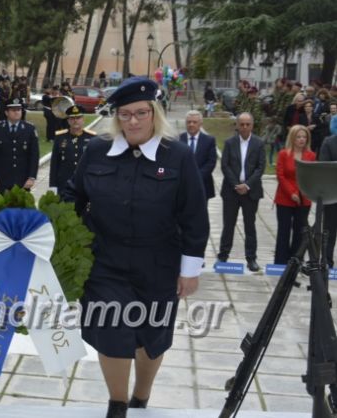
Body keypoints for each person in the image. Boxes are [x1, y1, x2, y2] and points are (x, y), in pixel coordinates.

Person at [63, 76, 209, 418]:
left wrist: (190, 271)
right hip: (104, 263)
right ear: (116, 117)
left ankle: (141, 396)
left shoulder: (178, 157)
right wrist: (59, 233)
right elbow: (73, 194)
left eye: (141, 113)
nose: (133, 121)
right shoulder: (97, 150)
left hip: (158, 265)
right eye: (125, 114)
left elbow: (194, 216)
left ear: (154, 112)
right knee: (111, 329)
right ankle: (117, 402)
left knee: (151, 338)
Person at [218, 113, 266, 272]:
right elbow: (225, 165)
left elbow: (261, 167)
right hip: (231, 191)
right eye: (242, 124)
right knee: (228, 225)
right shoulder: (230, 143)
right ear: (237, 125)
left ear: (252, 125)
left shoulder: (259, 143)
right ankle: (223, 256)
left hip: (251, 192)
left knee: (250, 226)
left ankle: (251, 258)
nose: (244, 127)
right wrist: (236, 184)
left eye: (248, 124)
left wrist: (247, 185)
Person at [273, 125, 316, 265]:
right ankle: (280, 262)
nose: (302, 139)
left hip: (304, 199)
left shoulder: (311, 155)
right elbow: (280, 175)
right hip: (285, 198)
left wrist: (303, 192)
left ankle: (295, 261)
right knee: (283, 231)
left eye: (304, 137)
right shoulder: (283, 154)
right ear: (292, 138)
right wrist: (291, 193)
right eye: (298, 137)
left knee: (300, 231)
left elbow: (311, 176)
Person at [0, 100, 39, 193]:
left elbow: (34, 155)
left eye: (19, 110)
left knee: (21, 207)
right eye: (13, 110)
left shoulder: (29, 129)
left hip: (22, 180)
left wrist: (32, 177)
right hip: (1, 179)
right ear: (6, 112)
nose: (17, 112)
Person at [49, 104, 94, 192]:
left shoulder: (92, 137)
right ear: (68, 120)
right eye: (72, 118)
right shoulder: (60, 137)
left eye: (78, 118)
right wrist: (53, 185)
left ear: (83, 119)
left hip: (85, 182)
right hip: (64, 183)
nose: (75, 121)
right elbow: (54, 163)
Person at [179, 110, 217, 203]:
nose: (191, 124)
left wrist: (196, 177)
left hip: (202, 184)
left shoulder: (209, 140)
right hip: (182, 185)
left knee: (201, 214)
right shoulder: (178, 139)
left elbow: (211, 162)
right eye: (189, 122)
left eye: (194, 122)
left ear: (200, 124)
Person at [319, 133, 337, 267]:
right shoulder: (329, 142)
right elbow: (324, 167)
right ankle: (326, 260)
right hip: (333, 194)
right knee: (329, 229)